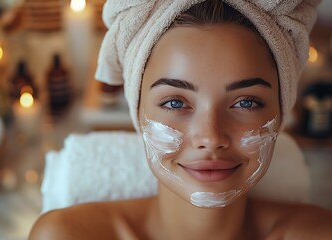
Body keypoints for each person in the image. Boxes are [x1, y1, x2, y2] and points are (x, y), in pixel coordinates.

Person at [30, 0, 332, 239]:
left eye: (246, 102)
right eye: (175, 102)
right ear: (138, 113)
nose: (211, 137)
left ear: (280, 114)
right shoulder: (67, 236)